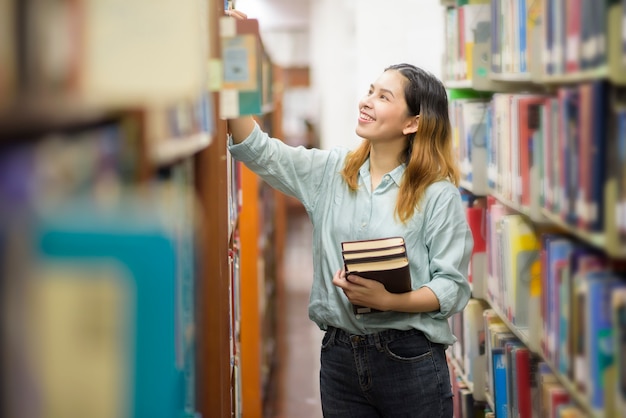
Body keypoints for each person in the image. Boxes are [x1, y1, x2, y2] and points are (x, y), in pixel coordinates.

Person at [226, 14, 472, 417]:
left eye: (383, 97)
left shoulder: (437, 195)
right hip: (339, 359)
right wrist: (230, 59)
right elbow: (257, 149)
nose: (366, 101)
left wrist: (393, 300)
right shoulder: (330, 173)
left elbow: (452, 287)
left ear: (413, 122)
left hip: (410, 361)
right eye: (370, 91)